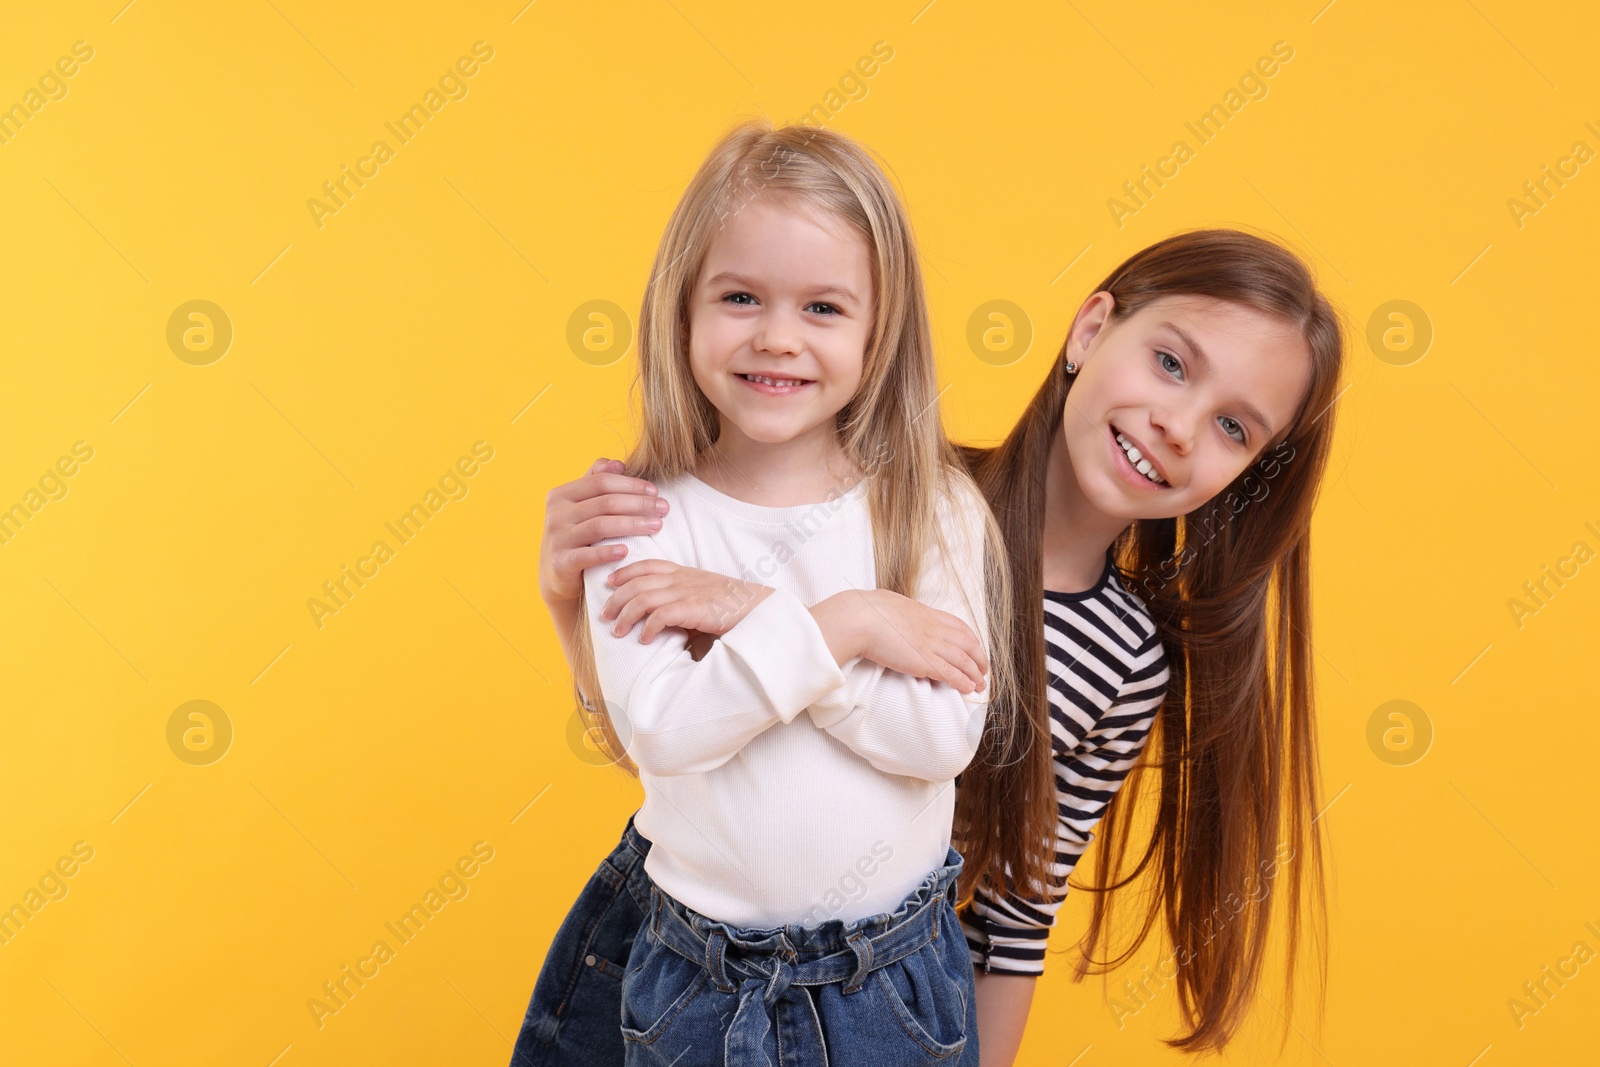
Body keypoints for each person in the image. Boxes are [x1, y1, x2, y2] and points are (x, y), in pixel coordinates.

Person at [520, 222, 1341, 1062]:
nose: (1179, 425)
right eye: (1171, 362)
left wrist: (752, 604)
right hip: (694, 943)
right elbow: (679, 745)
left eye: (1235, 429)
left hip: (882, 991)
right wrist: (570, 605)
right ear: (1091, 330)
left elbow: (1018, 912)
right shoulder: (891, 495)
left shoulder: (1126, 658)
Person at [512, 118, 1020, 1067]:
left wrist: (751, 614)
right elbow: (667, 729)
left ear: (880, 332)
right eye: (740, 296)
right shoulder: (640, 515)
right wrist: (850, 625)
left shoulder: (932, 507)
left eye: (823, 308)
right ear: (684, 312)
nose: (777, 337)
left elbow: (938, 739)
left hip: (891, 983)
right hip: (698, 978)